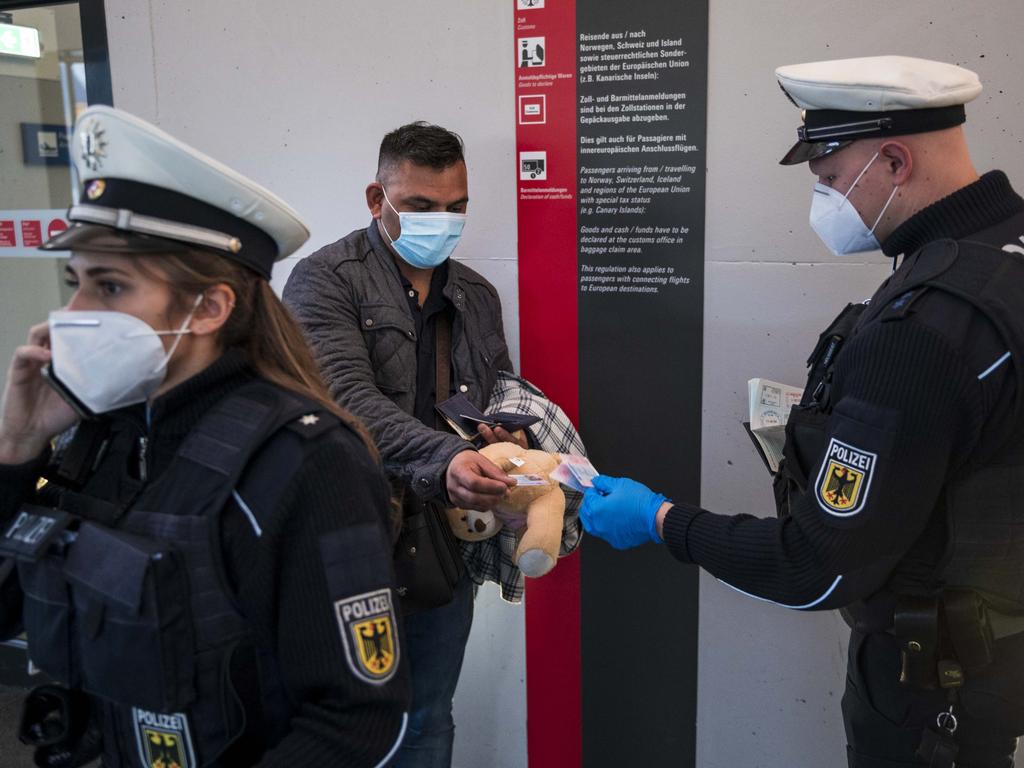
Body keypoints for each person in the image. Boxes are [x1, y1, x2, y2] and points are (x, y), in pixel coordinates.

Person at [580, 56, 1024, 768]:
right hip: (994, 653)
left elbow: (812, 569)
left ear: (895, 160)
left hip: (930, 690)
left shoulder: (928, 323)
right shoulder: (999, 258)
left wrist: (660, 520)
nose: (823, 201)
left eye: (829, 178)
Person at [0, 106, 409, 768]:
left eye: (109, 286)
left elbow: (356, 722)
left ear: (210, 307)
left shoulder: (305, 460)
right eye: (73, 284)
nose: (70, 316)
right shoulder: (98, 438)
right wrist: (16, 456)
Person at [283, 122, 518, 767]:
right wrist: (446, 458)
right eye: (419, 207)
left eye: (456, 207)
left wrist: (504, 439)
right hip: (347, 536)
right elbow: (343, 402)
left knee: (429, 716)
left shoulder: (475, 294)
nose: (441, 222)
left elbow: (493, 394)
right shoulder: (323, 279)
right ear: (375, 197)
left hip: (442, 542)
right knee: (344, 724)